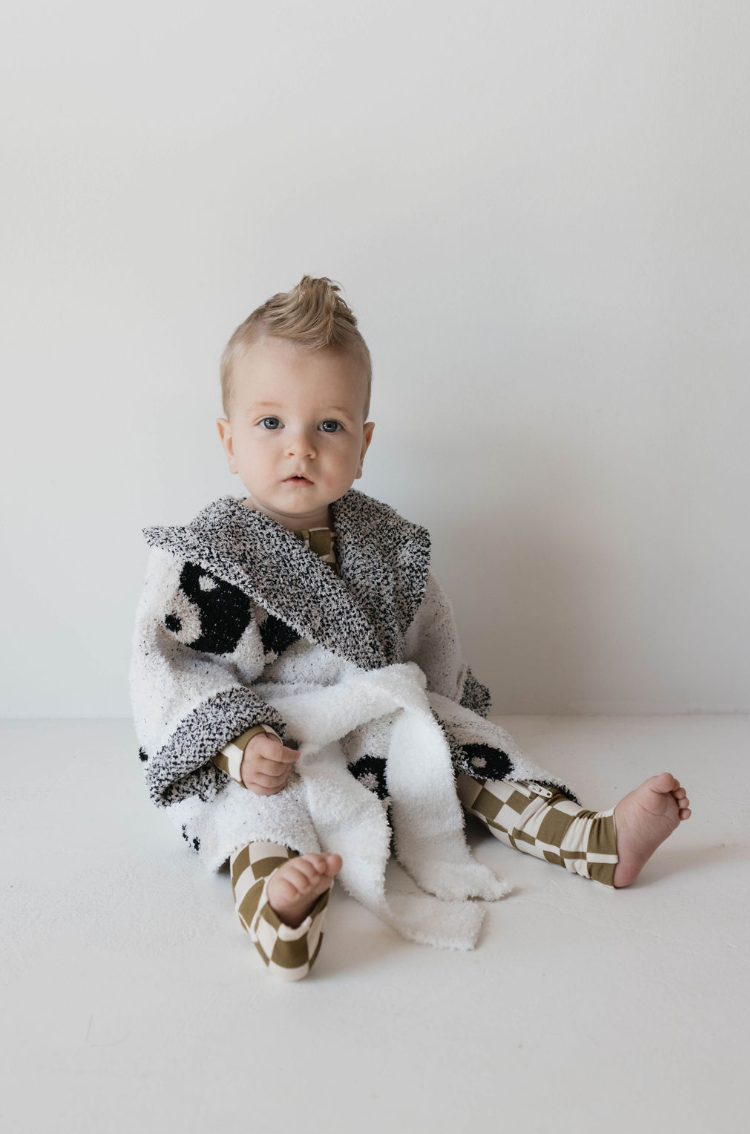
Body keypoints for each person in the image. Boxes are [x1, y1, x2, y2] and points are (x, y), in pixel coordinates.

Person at [129, 275, 691, 981]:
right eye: (271, 423)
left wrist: (446, 714)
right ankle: (282, 912)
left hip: (372, 720)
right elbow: (170, 670)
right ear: (228, 439)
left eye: (327, 425)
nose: (299, 448)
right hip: (274, 740)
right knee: (258, 813)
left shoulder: (388, 543)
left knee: (470, 752)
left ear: (362, 444)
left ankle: (594, 839)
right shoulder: (208, 558)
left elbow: (431, 643)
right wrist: (236, 746)